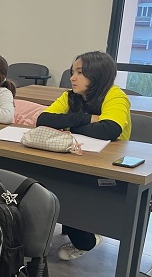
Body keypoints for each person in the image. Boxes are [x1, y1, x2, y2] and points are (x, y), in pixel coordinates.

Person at [36, 51, 131, 261]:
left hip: (108, 165)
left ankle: (89, 238)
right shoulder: (71, 96)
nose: (72, 77)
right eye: (72, 72)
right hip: (74, 158)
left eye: (80, 72)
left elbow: (109, 129)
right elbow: (43, 120)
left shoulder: (114, 95)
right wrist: (87, 118)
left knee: (74, 196)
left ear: (97, 74)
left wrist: (69, 125)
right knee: (51, 185)